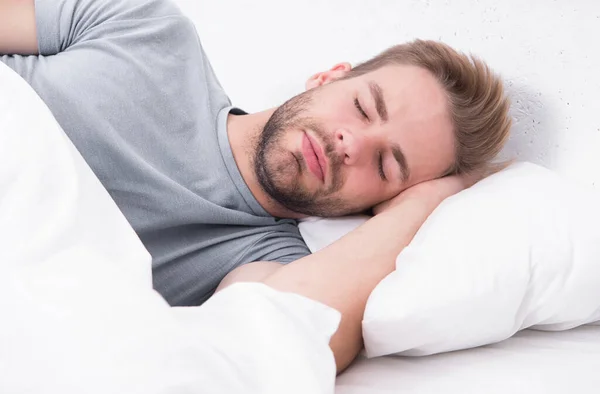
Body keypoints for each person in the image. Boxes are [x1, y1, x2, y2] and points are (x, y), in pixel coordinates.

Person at [1, 0, 511, 373]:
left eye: (385, 165)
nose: (349, 142)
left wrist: (424, 205)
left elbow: (274, 344)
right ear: (328, 76)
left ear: (382, 205)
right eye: (362, 107)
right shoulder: (146, 27)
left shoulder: (269, 264)